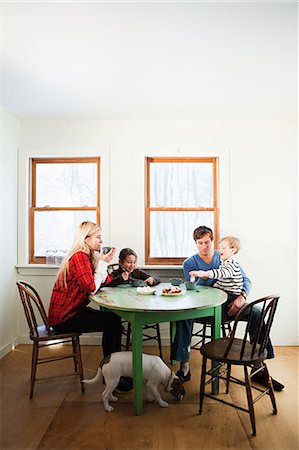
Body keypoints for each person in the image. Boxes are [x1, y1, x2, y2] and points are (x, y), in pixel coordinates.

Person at [172, 225, 284, 391]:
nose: (205, 246)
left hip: (230, 306)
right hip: (205, 308)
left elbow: (246, 280)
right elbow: (192, 288)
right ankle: (184, 367)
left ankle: (259, 368)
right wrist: (203, 276)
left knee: (258, 313)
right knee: (183, 316)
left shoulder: (225, 257)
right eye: (200, 242)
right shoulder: (189, 263)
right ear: (196, 243)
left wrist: (242, 297)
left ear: (213, 242)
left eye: (208, 242)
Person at [48, 221, 132, 392]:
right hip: (64, 317)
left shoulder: (87, 257)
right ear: (86, 239)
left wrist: (106, 266)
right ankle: (113, 375)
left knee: (112, 320)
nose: (101, 241)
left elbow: (103, 282)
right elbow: (91, 287)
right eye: (98, 237)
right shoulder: (79, 257)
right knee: (112, 322)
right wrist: (102, 265)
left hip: (73, 311)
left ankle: (112, 372)